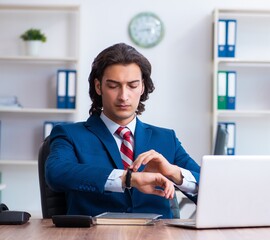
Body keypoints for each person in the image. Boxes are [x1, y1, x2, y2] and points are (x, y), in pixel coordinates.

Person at [45, 43, 200, 219]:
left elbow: (211, 187)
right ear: (98, 87)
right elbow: (56, 173)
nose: (123, 96)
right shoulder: (69, 134)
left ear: (142, 87)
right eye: (113, 86)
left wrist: (174, 172)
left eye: (132, 86)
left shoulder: (166, 139)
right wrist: (128, 179)